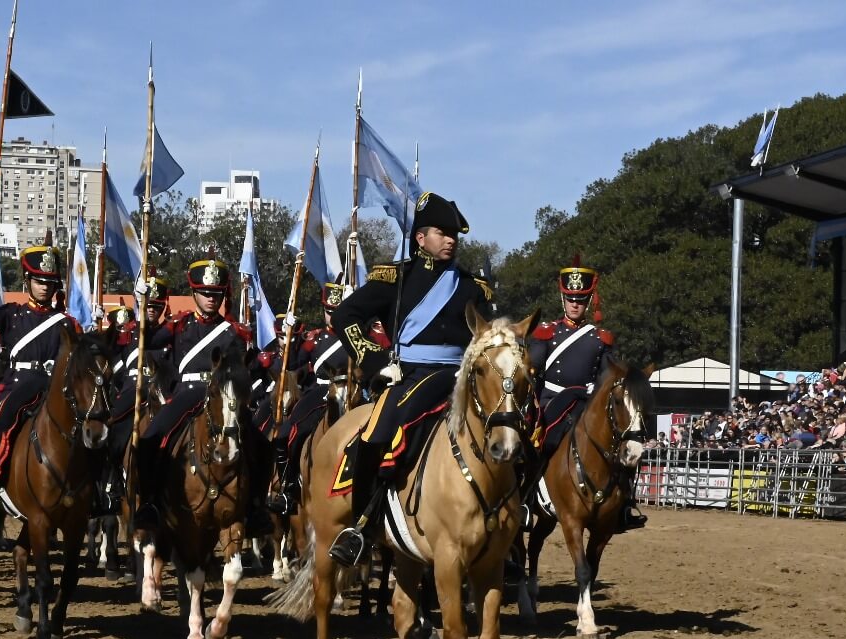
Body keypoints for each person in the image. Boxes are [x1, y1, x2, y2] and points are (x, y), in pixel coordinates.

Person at [327, 191, 492, 566]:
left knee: (508, 436)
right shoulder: (394, 279)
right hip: (410, 375)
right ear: (420, 238)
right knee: (374, 437)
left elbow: (486, 334)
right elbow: (345, 316)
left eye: (455, 234)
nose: (451, 240)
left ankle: (506, 538)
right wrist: (374, 358)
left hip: (461, 379)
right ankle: (362, 527)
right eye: (442, 232)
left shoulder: (472, 288)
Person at [132, 255, 261, 531]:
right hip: (186, 395)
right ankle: (150, 503)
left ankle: (256, 508)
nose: (211, 299)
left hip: (221, 399)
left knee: (259, 443)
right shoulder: (179, 325)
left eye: (215, 293)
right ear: (193, 293)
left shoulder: (233, 332)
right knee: (149, 439)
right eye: (205, 293)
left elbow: (240, 372)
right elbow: (148, 339)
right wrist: (140, 307)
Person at [0, 243, 81, 534]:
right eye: (39, 281)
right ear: (27, 281)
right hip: (18, 385)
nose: (44, 287)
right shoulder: (12, 315)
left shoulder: (67, 323)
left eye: (50, 282)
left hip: (55, 389)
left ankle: (95, 496)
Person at [528, 259, 646, 531]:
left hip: (587, 402)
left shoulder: (600, 337)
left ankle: (624, 504)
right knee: (537, 444)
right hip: (553, 402)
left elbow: (607, 376)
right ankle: (525, 497)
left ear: (589, 300)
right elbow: (533, 372)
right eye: (571, 298)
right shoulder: (547, 332)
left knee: (620, 446)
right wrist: (533, 404)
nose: (575, 304)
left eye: (581, 299)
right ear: (562, 298)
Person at [267, 280, 350, 514]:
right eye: (329, 312)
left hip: (352, 390)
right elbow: (292, 365)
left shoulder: (356, 335)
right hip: (321, 391)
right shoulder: (314, 339)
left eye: (338, 312)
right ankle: (289, 487)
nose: (332, 317)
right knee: (287, 433)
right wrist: (291, 337)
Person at [105, 272, 171, 506]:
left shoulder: (167, 335)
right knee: (112, 426)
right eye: (147, 305)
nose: (151, 309)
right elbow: (113, 360)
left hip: (160, 391)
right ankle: (111, 479)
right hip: (133, 388)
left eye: (156, 306)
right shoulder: (127, 334)